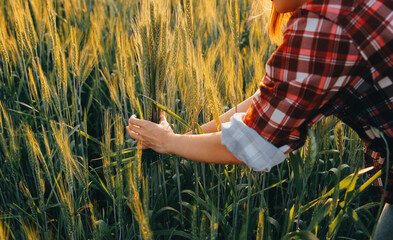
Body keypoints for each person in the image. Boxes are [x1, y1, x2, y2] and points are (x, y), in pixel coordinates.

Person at [126, 0, 393, 238]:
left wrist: (168, 142)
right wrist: (183, 137)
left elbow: (255, 141)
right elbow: (266, 102)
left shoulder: (325, 24)